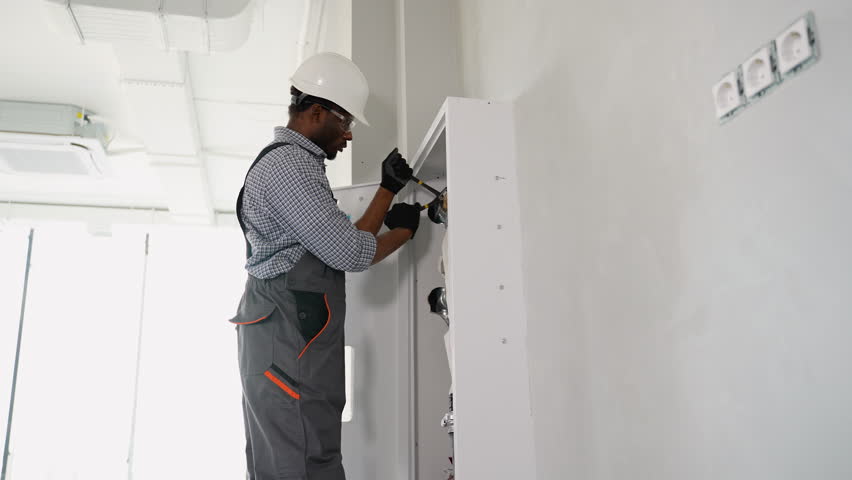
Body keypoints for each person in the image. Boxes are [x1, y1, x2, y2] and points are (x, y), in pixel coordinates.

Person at [228, 52, 421, 480]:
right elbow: (351, 253)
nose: (348, 136)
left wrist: (388, 191)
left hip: (292, 347)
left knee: (309, 458)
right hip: (286, 347)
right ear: (317, 113)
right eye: (346, 123)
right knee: (298, 464)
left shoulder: (299, 166)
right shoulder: (288, 168)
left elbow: (341, 239)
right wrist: (403, 234)